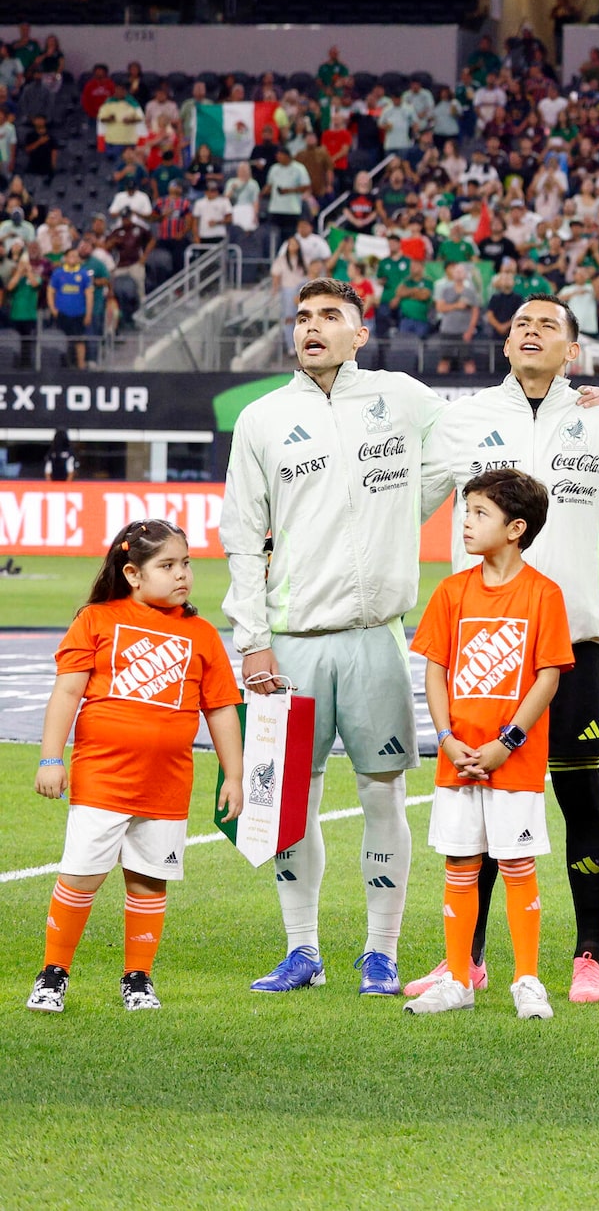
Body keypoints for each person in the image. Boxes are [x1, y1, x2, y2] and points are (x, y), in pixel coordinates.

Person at [223, 277, 448, 996]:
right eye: (303, 317)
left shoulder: (405, 399)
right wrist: (252, 638)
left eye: (329, 316)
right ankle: (302, 950)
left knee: (383, 797)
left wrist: (395, 528)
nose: (311, 327)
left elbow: (466, 453)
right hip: (290, 642)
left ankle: (380, 952)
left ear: (361, 332)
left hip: (375, 636)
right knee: (289, 799)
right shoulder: (261, 418)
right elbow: (237, 535)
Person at [412, 297, 599, 1004]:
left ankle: (588, 956)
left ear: (573, 349)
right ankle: (466, 962)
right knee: (477, 796)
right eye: (518, 326)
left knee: (578, 795)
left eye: (547, 326)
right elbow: (398, 499)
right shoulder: (464, 420)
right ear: (504, 346)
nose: (530, 332)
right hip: (482, 644)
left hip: (572, 643)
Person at [27, 520, 240, 1014]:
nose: (182, 574)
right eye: (167, 565)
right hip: (102, 779)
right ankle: (53, 973)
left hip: (167, 785)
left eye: (185, 563)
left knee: (148, 880)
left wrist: (233, 774)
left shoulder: (203, 634)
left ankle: (138, 978)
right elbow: (67, 692)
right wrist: (51, 757)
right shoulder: (98, 620)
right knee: (81, 876)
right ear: (132, 574)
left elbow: (222, 709)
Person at [405, 468, 572, 1021]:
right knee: (459, 863)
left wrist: (508, 741)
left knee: (517, 862)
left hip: (512, 760)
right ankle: (458, 979)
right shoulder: (452, 590)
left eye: (480, 513)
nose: (466, 523)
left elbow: (547, 678)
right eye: (465, 511)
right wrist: (447, 740)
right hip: (459, 760)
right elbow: (435, 671)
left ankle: (527, 979)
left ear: (516, 528)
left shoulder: (544, 594)